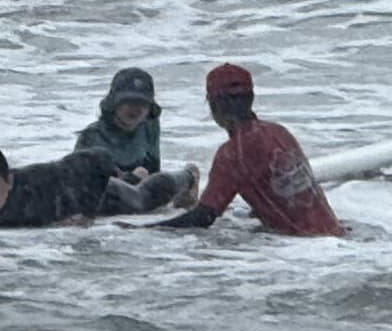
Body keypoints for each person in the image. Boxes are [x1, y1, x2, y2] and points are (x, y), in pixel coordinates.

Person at [163, 61, 343, 237]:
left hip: (301, 243)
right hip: (334, 234)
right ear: (251, 98)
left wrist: (147, 230)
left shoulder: (233, 154)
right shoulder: (280, 132)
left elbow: (204, 217)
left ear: (214, 105)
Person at [72, 68, 187, 211]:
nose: (136, 109)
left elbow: (154, 170)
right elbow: (80, 188)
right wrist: (130, 179)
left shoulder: (149, 127)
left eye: (142, 103)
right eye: (128, 102)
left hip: (143, 201)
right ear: (114, 102)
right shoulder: (92, 137)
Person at [0, 143, 114, 230]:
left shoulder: (37, 182)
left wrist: (88, 214)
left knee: (140, 198)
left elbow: (100, 157)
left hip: (109, 194)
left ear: (8, 182)